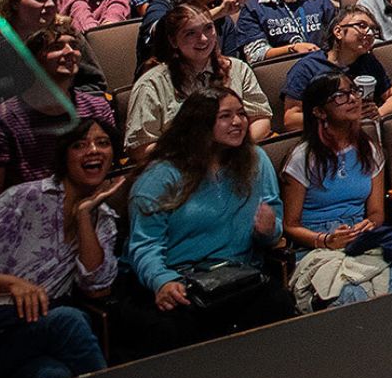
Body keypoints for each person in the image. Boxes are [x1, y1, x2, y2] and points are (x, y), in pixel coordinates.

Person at [0, 117, 122, 378]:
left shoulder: (103, 219)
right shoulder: (24, 198)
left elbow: (97, 288)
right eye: (80, 145)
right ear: (64, 156)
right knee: (69, 320)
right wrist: (12, 284)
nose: (93, 150)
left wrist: (84, 215)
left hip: (26, 337)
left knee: (54, 376)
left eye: (103, 143)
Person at [121, 88, 290, 355]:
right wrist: (162, 281)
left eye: (241, 114)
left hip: (238, 277)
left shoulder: (256, 160)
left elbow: (273, 228)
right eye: (226, 116)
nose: (238, 122)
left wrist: (269, 229)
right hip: (182, 280)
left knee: (278, 303)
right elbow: (145, 245)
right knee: (172, 330)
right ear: (199, 124)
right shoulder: (161, 175)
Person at [279, 73, 392, 309]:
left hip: (360, 238)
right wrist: (326, 240)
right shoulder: (303, 158)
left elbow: (376, 212)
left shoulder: (368, 149)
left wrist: (369, 224)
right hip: (316, 245)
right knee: (352, 294)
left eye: (353, 91)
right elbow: (291, 226)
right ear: (319, 111)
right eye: (340, 96)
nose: (352, 99)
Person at [0, 20, 117, 196]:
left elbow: (110, 176)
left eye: (74, 45)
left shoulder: (97, 108)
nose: (70, 52)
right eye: (56, 46)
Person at [126, 3, 273, 160]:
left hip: (234, 160)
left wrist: (229, 148)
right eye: (190, 33)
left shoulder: (238, 69)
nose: (203, 39)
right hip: (181, 168)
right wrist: (199, 153)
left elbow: (261, 119)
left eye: (208, 28)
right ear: (173, 41)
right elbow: (140, 148)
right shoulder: (151, 85)